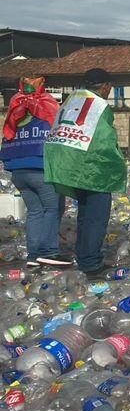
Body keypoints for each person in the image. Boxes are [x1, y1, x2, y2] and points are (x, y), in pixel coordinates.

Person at [44, 69, 127, 278]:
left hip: (68, 163)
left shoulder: (72, 99)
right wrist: (117, 166)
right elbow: (105, 140)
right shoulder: (100, 106)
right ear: (105, 86)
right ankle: (91, 264)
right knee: (96, 217)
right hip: (91, 169)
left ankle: (84, 257)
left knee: (84, 214)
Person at [2, 77, 67, 268]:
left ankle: (33, 255)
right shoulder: (47, 103)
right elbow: (60, 133)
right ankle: (48, 252)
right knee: (52, 209)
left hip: (18, 170)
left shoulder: (16, 103)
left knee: (34, 211)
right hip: (41, 168)